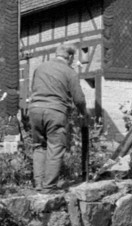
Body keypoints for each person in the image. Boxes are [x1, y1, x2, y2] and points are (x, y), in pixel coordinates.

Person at [27, 43, 89, 191]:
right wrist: (84, 113)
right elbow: (78, 98)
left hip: (34, 109)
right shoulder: (69, 71)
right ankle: (49, 187)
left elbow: (33, 88)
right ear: (70, 56)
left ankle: (39, 185)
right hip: (55, 111)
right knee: (55, 146)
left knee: (39, 146)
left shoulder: (40, 68)